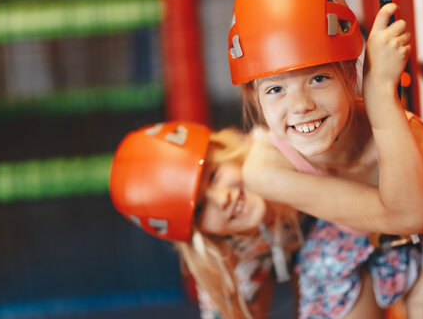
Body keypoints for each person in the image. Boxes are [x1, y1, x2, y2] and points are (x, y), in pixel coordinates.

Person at [227, 0, 423, 319]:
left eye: (319, 78)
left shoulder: (417, 144)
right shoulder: (265, 167)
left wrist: (381, 96)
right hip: (351, 236)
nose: (299, 106)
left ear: (350, 75)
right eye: (276, 89)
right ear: (255, 98)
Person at [108, 121, 302, 319]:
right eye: (200, 209)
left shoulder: (283, 147)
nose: (222, 199)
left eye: (213, 175)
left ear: (225, 150)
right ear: (197, 231)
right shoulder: (220, 255)